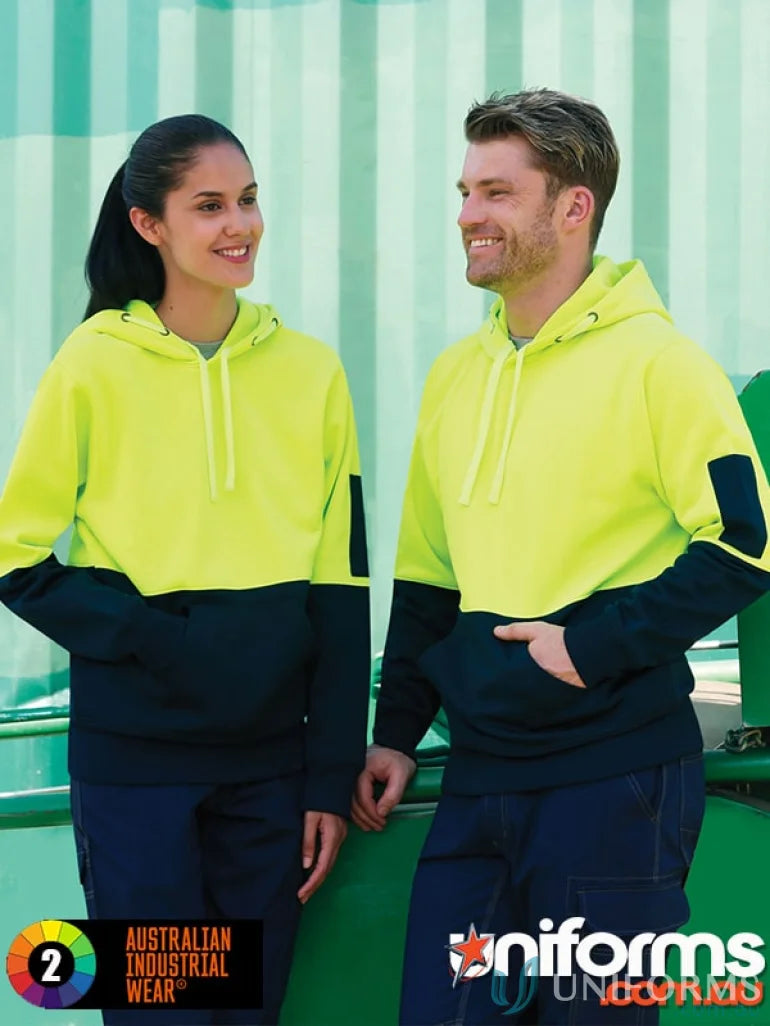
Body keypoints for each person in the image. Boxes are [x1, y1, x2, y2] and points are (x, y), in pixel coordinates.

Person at [353, 89, 770, 1025]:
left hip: (616, 782)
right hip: (478, 774)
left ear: (573, 207)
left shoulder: (662, 365)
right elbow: (430, 576)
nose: (467, 215)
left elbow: (746, 545)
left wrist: (588, 649)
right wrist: (395, 730)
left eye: (496, 192)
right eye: (465, 191)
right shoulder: (455, 376)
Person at [0, 114, 370, 1025]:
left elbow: (342, 584)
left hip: (272, 772)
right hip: (139, 771)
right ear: (148, 225)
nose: (238, 224)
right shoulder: (93, 365)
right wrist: (152, 639)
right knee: (164, 1013)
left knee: (249, 1009)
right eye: (207, 206)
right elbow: (15, 555)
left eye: (246, 200)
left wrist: (328, 775)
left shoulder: (312, 372)